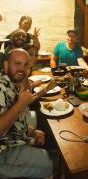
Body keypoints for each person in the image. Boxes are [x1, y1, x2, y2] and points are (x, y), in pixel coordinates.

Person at [0, 48, 57, 178]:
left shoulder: (12, 83)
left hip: (14, 138)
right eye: (17, 63)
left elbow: (15, 120)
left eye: (26, 65)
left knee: (52, 148)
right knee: (52, 162)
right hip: (4, 151)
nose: (22, 68)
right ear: (6, 65)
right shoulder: (1, 88)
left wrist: (31, 131)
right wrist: (21, 103)